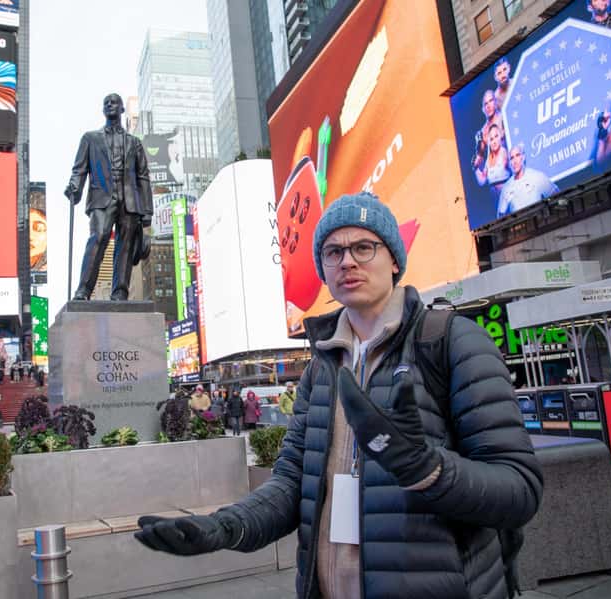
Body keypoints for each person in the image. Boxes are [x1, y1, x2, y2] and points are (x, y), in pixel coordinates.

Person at [134, 193, 543, 598]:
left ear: (395, 260)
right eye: (333, 252)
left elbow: (520, 490)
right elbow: (293, 482)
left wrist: (428, 471)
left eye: (364, 247)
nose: (347, 261)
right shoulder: (321, 367)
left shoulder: (451, 342)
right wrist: (225, 527)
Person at [65, 94, 153, 301]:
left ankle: (120, 292)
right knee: (98, 237)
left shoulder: (134, 142)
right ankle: (83, 290)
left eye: (114, 103)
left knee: (126, 246)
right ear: (103, 110)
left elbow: (143, 176)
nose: (109, 105)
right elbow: (79, 169)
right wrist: (74, 188)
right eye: (106, 103)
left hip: (130, 201)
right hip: (102, 198)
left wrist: (147, 210)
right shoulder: (90, 138)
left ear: (122, 109)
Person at [497, 144, 559, 217]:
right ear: (510, 162)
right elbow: (500, 216)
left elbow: (557, 195)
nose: (514, 161)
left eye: (517, 155)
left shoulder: (536, 176)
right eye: (511, 158)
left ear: (523, 157)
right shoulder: (506, 188)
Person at [473, 123, 510, 193]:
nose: (494, 141)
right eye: (491, 139)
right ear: (489, 142)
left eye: (496, 136)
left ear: (500, 137)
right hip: (495, 200)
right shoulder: (488, 160)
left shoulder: (505, 154)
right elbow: (482, 181)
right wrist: (476, 168)